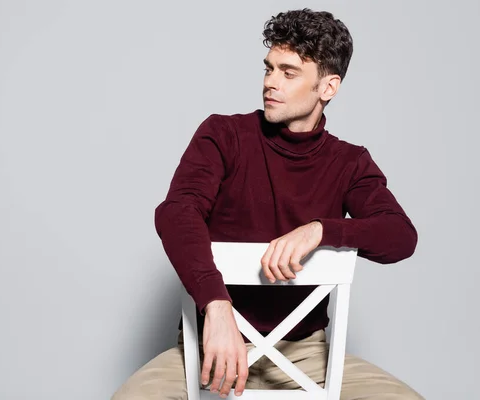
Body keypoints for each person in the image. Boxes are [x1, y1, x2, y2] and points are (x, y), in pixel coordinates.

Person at [112, 8, 423, 400]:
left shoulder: (349, 162)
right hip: (213, 344)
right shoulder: (223, 135)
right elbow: (177, 213)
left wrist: (323, 229)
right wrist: (216, 306)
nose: (270, 83)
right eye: (269, 68)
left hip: (306, 354)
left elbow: (400, 236)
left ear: (328, 87)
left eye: (289, 73)